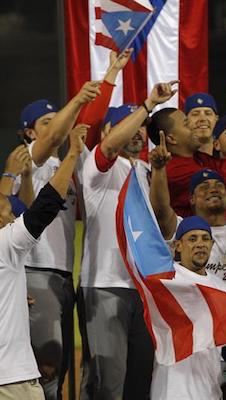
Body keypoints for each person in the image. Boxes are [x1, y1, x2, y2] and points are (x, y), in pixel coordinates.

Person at [78, 81, 177, 399]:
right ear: (109, 130)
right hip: (106, 284)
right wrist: (147, 106)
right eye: (127, 124)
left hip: (145, 288)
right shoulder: (98, 166)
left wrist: (160, 172)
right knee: (108, 384)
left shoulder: (151, 170)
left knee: (139, 382)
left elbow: (164, 223)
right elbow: (108, 147)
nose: (138, 132)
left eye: (142, 127)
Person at [149, 133, 226, 399]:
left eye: (219, 186)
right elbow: (161, 211)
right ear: (178, 246)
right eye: (204, 188)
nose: (214, 189)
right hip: (181, 371)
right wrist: (159, 171)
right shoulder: (170, 274)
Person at [17, 79, 102, 400]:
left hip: (65, 275)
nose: (56, 126)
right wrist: (79, 100)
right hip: (37, 271)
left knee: (63, 364)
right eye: (46, 123)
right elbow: (26, 209)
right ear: (30, 132)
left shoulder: (65, 163)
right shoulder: (28, 158)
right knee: (47, 368)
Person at [0, 127, 86, 400]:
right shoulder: (5, 244)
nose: (8, 212)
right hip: (12, 380)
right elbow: (46, 205)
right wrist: (72, 154)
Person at [149, 216, 226, 400]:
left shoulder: (220, 287)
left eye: (205, 239)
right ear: (178, 246)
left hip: (208, 390)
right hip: (171, 391)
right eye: (192, 239)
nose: (200, 244)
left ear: (212, 245)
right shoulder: (165, 281)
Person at [147, 92, 226, 217]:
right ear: (172, 139)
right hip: (198, 235)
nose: (193, 125)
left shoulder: (197, 158)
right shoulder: (173, 170)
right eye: (186, 124)